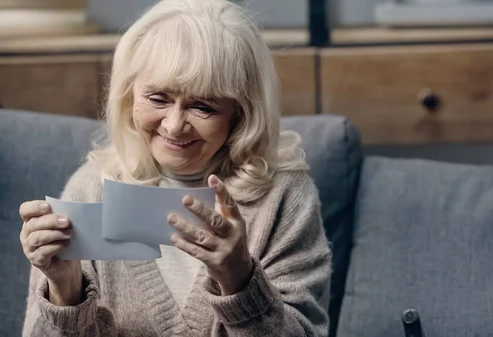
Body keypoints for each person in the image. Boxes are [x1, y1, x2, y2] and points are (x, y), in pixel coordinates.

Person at [18, 0, 332, 335]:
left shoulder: (284, 198)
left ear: (240, 113)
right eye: (157, 99)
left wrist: (240, 279)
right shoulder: (92, 188)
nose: (174, 126)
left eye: (203, 106)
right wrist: (65, 291)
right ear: (128, 96)